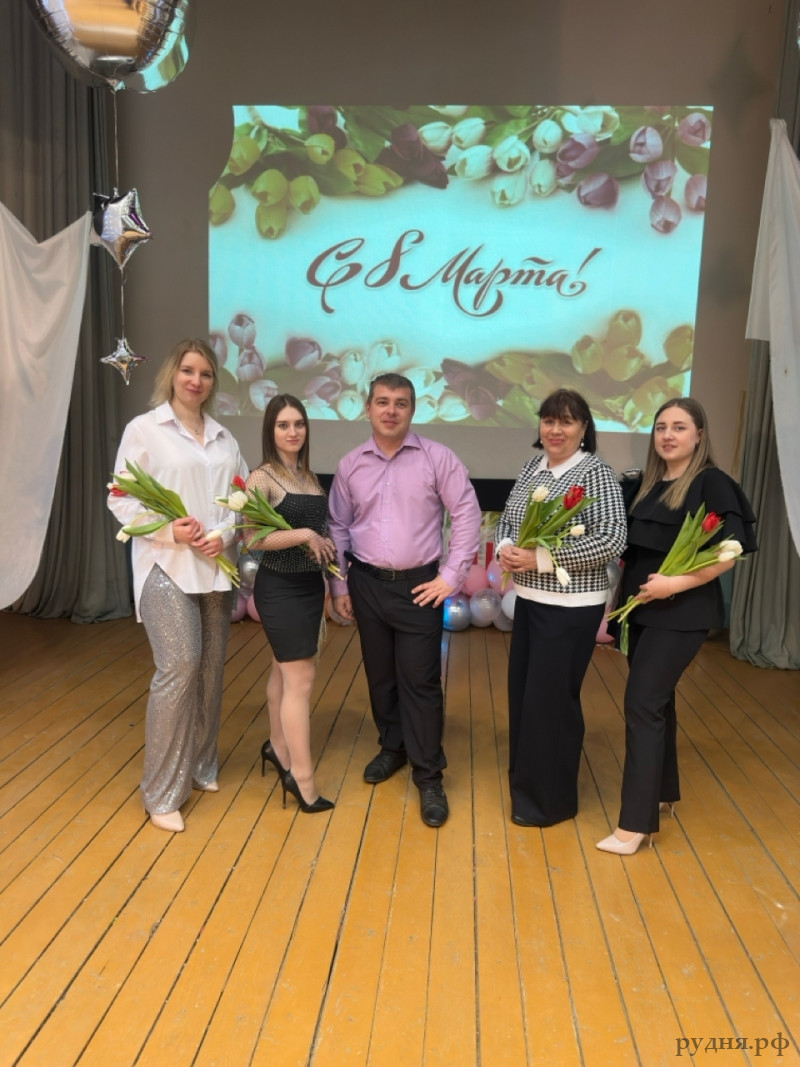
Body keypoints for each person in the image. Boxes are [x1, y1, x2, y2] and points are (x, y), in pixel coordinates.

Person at [597, 398, 757, 855]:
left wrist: (674, 585)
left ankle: (635, 825)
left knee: (642, 704)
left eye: (680, 427)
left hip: (682, 612)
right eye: (661, 427)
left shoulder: (712, 482)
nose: (668, 435)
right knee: (658, 703)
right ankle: (663, 793)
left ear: (699, 435)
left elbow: (728, 553)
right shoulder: (646, 485)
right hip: (643, 609)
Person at [328, 373, 482, 827]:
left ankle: (429, 775)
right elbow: (338, 527)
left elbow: (467, 513)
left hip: (419, 587)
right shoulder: (351, 465)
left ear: (413, 410)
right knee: (381, 679)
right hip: (366, 583)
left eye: (400, 403)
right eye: (382, 402)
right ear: (368, 408)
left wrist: (450, 577)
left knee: (420, 682)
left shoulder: (437, 458)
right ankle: (392, 747)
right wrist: (340, 586)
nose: (390, 410)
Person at [108, 338, 247, 833]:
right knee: (182, 664)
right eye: (188, 370)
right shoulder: (144, 430)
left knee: (209, 670)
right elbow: (120, 498)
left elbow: (240, 500)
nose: (196, 380)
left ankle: (201, 764)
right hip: (164, 567)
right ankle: (161, 792)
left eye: (205, 374)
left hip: (215, 569)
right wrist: (171, 530)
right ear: (172, 374)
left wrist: (224, 533)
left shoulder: (225, 438)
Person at [496, 388, 627, 828]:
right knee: (525, 698)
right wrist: (505, 546)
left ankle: (550, 802)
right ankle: (526, 785)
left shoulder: (595, 473)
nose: (556, 429)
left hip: (571, 607)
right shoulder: (532, 467)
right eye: (549, 420)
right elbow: (508, 520)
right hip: (530, 601)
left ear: (583, 428)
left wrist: (542, 559)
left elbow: (612, 539)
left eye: (566, 421)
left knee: (550, 703)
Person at [246, 394, 337, 814]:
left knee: (282, 674)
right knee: (300, 682)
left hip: (309, 587)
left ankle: (277, 749)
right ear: (271, 430)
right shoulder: (261, 477)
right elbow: (252, 538)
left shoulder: (308, 476)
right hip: (279, 588)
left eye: (299, 423)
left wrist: (324, 545)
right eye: (283, 425)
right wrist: (304, 535)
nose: (293, 431)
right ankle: (303, 781)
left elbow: (316, 530)